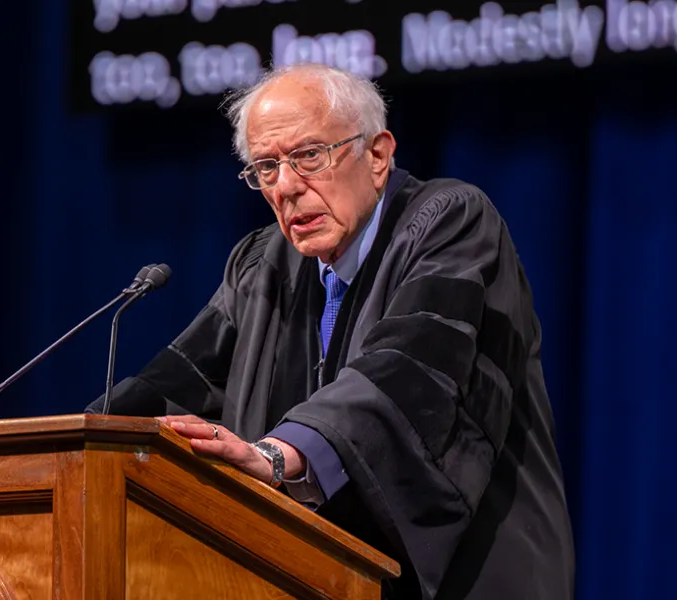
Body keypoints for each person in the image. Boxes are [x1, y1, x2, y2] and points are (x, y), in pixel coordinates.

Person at [90, 63, 575, 599]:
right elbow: (182, 385)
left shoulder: (451, 225)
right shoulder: (263, 266)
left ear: (377, 155)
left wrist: (276, 456)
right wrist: (86, 443)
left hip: (475, 579)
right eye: (266, 167)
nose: (287, 187)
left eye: (308, 156)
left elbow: (408, 373)